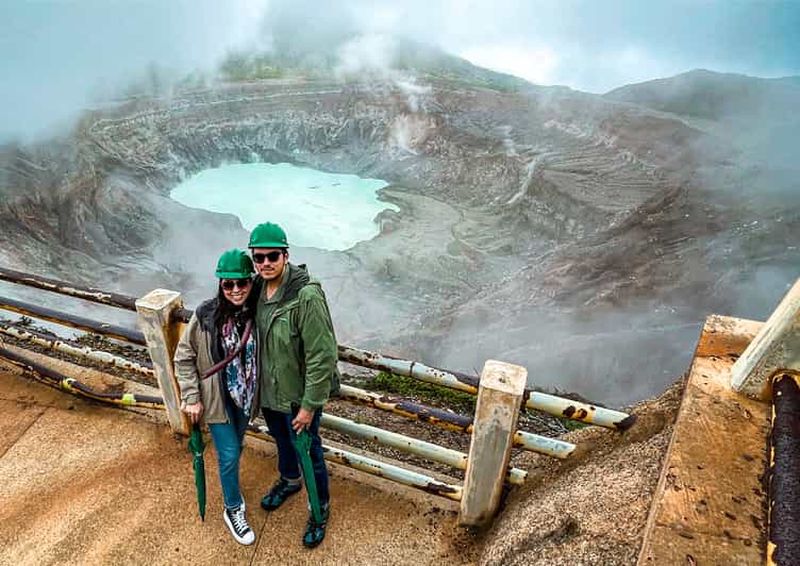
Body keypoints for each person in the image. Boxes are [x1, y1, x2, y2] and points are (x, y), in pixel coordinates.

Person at [249, 221, 340, 549]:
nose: (266, 263)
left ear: (286, 256)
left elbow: (322, 355)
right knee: (283, 442)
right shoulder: (256, 289)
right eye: (259, 257)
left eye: (272, 256)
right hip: (271, 393)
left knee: (310, 452)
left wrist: (309, 405)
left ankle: (319, 509)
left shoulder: (306, 296)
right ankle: (290, 481)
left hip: (298, 398)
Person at [174, 249, 259, 546]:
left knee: (237, 446)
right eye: (228, 284)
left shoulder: (259, 312)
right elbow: (184, 356)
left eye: (241, 283)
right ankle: (232, 508)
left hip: (245, 398)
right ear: (220, 284)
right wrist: (191, 396)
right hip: (216, 400)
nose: (235, 290)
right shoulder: (205, 315)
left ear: (251, 282)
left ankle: (231, 486)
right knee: (230, 453)